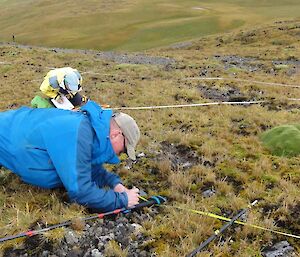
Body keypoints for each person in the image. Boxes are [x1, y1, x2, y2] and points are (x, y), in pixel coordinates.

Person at [0, 101, 140, 211]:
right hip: (7, 133)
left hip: (14, 130)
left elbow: (85, 166)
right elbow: (81, 191)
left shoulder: (90, 130)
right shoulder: (79, 134)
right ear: (116, 135)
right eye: (124, 149)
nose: (121, 154)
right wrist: (122, 201)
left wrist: (114, 184)